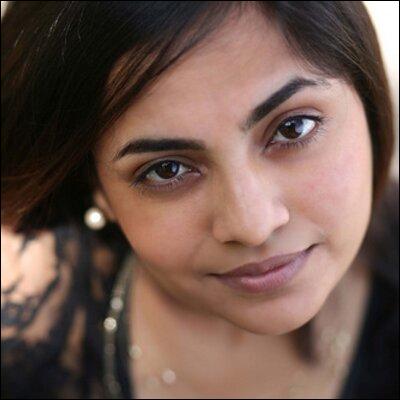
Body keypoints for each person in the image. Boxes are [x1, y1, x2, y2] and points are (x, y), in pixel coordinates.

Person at [1, 1, 398, 399]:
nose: (252, 226)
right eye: (167, 170)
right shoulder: (25, 369)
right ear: (97, 189)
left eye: (293, 129)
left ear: (366, 97)